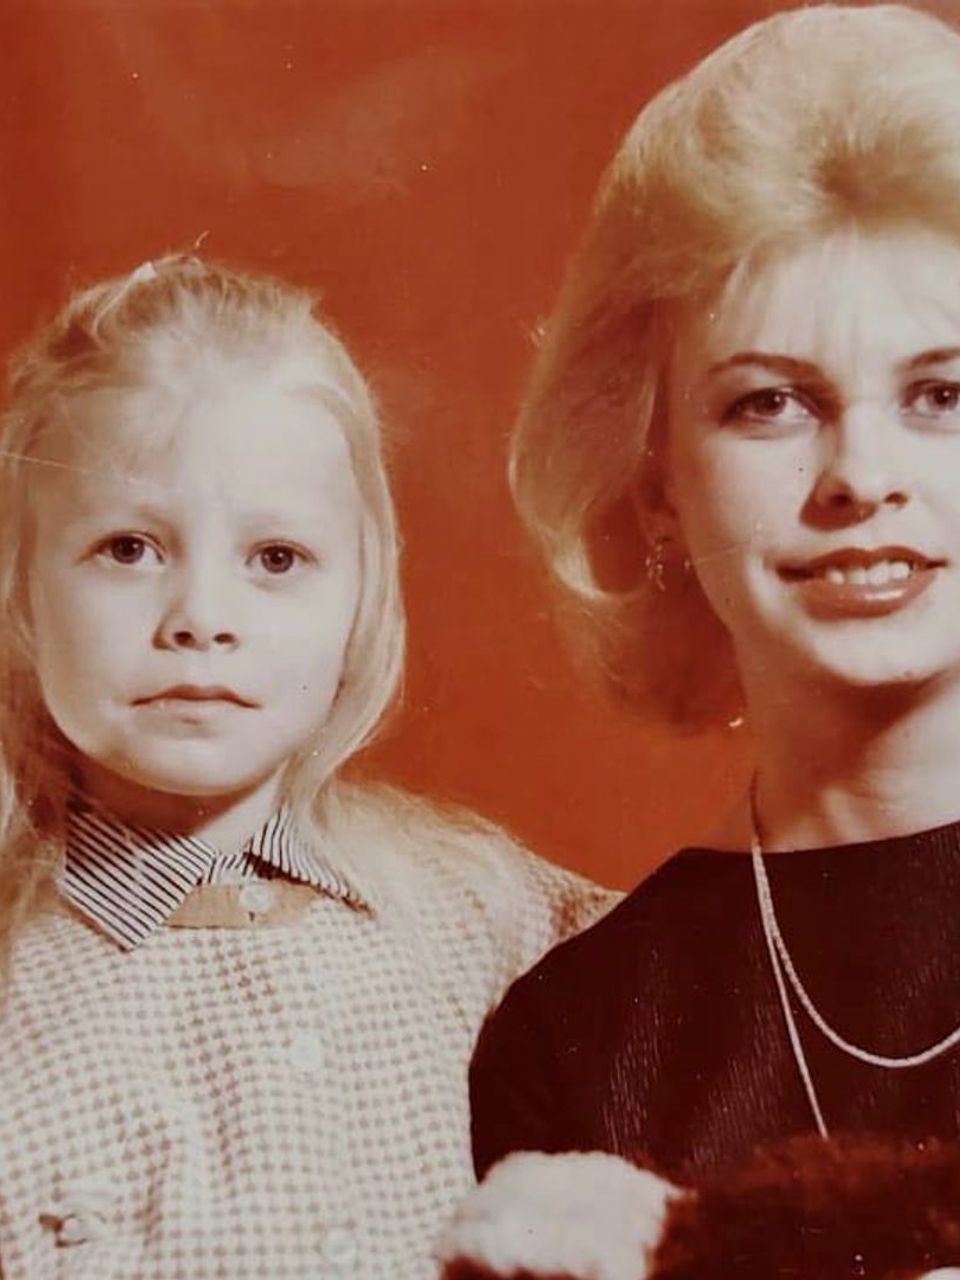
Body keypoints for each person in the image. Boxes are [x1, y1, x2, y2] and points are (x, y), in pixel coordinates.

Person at [0, 254, 614, 1279]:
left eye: (276, 558)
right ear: (21, 590)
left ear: (360, 600)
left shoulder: (485, 913)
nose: (202, 617)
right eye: (128, 548)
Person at [469, 0, 960, 1190]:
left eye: (942, 395)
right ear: (658, 492)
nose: (862, 477)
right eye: (769, 403)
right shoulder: (577, 1037)